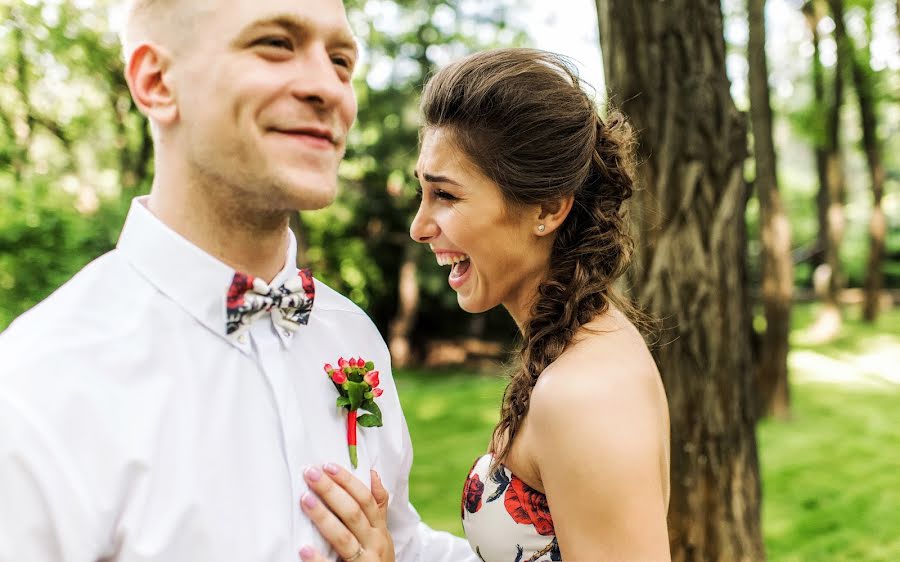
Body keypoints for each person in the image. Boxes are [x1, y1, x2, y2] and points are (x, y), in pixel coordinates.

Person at [0, 1, 480, 561]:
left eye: (341, 60)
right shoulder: (35, 392)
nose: (329, 87)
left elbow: (401, 542)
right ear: (157, 82)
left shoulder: (350, 334)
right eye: (276, 43)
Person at [410, 48, 672, 561]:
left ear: (547, 209)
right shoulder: (580, 341)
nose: (419, 227)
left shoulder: (583, 395)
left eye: (446, 196)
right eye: (423, 193)